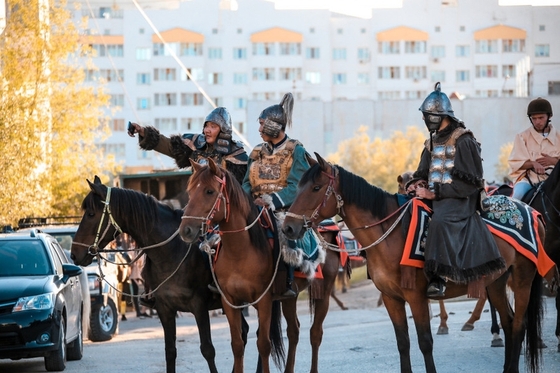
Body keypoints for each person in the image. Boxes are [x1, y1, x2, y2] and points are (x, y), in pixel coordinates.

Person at [406, 82, 506, 298]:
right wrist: (414, 184)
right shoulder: (431, 143)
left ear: (439, 116)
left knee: (440, 220)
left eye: (427, 116)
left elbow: (469, 184)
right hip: (437, 195)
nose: (424, 120)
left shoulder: (464, 140)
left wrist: (434, 193)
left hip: (460, 199)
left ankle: (438, 277)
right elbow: (422, 172)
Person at [242, 92, 315, 298]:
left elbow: (297, 186)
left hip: (284, 209)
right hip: (254, 207)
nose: (259, 129)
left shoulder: (296, 150)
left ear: (274, 126)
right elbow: (247, 182)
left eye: (262, 124)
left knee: (284, 231)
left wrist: (270, 201)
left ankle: (287, 281)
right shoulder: (256, 151)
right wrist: (245, 202)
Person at [128, 107, 248, 184]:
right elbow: (168, 145)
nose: (207, 130)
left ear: (223, 130)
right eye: (206, 126)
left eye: (213, 126)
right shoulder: (195, 144)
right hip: (198, 204)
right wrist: (143, 131)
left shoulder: (237, 156)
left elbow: (243, 192)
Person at [508, 97, 560, 201]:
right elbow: (515, 163)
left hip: (555, 182)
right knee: (517, 196)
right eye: (534, 118)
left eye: (541, 118)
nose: (537, 122)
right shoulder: (522, 137)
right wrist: (533, 163)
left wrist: (554, 161)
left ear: (549, 116)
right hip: (529, 180)